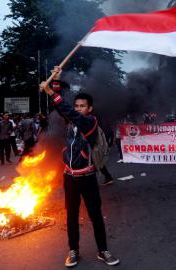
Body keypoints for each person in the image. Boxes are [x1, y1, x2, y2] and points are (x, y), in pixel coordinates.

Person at [40, 66, 119, 267]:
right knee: (72, 217)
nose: (78, 109)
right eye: (76, 106)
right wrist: (56, 82)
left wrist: (50, 91)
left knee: (95, 216)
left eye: (82, 106)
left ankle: (103, 251)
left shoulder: (90, 122)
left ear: (89, 109)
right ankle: (73, 250)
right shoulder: (72, 121)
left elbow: (67, 111)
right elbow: (62, 109)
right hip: (70, 178)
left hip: (88, 178)